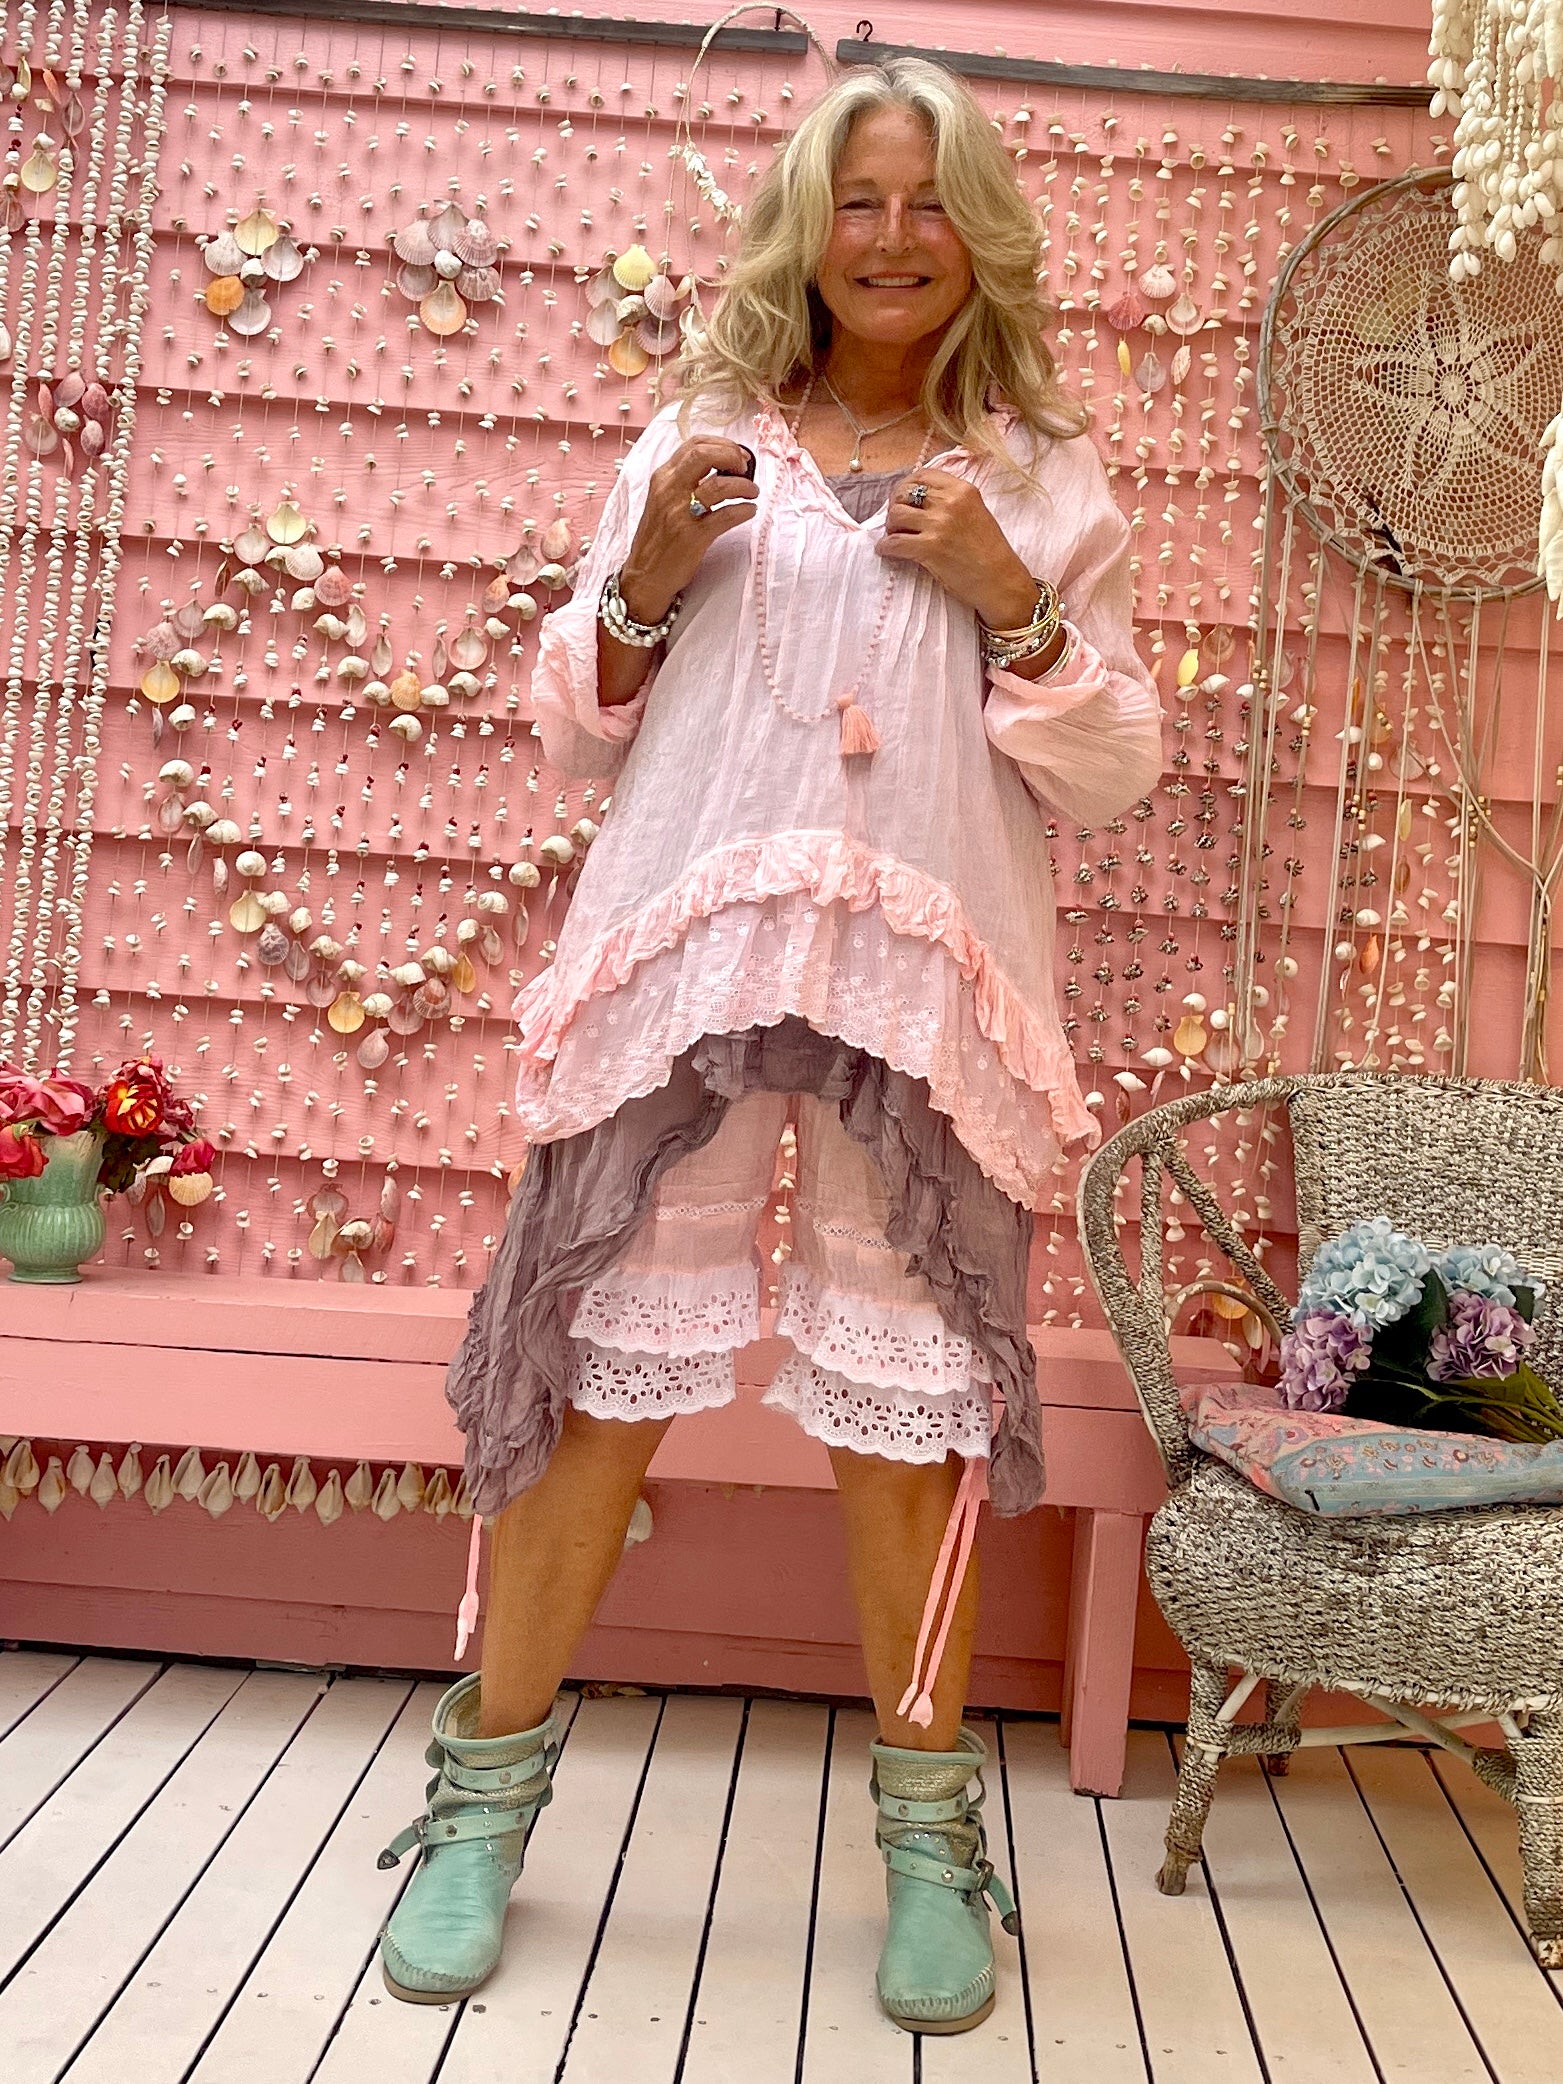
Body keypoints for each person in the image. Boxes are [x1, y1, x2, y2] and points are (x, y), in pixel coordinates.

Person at [376, 55, 1162, 2036]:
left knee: (903, 1399)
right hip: (691, 945)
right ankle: (481, 1800)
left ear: (978, 232)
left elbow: (1112, 771)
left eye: (928, 199)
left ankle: (928, 1839)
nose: (891, 237)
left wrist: (1011, 604)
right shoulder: (698, 438)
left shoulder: (1043, 478)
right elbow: (576, 725)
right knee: (592, 1364)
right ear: (806, 230)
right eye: (857, 199)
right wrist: (647, 578)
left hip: (922, 975)